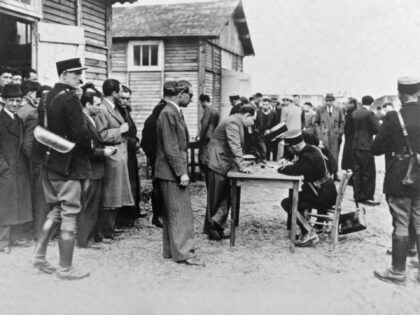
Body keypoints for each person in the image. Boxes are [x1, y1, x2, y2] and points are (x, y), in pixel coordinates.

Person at [31, 58, 92, 280]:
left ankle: (39, 257)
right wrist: (90, 148)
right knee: (69, 215)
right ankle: (65, 269)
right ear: (64, 74)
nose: (80, 78)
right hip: (69, 167)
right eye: (76, 73)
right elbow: (81, 135)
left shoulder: (46, 97)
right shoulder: (70, 99)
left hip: (49, 165)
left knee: (56, 211)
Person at [373, 77, 420, 284]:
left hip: (400, 176)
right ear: (418, 94)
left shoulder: (394, 117)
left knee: (401, 221)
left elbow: (376, 149)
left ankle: (397, 272)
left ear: (400, 95)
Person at [155, 80, 204, 266]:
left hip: (169, 171)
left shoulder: (173, 111)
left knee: (172, 213)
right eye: (190, 94)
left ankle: (172, 251)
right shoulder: (168, 113)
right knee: (181, 213)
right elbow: (171, 147)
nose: (192, 98)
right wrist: (181, 172)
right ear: (180, 93)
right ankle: (185, 253)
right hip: (171, 172)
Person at [202, 105, 256, 240]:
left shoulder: (235, 121)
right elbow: (235, 145)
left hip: (222, 162)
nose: (253, 123)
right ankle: (212, 229)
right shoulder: (233, 122)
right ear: (247, 115)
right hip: (217, 162)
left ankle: (216, 226)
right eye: (252, 119)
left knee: (226, 195)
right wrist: (242, 165)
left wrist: (241, 162)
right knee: (216, 197)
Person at [278, 131, 337, 247]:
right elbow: (298, 166)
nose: (289, 150)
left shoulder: (308, 156)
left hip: (322, 195)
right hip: (324, 190)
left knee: (288, 203)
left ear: (294, 146)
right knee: (295, 200)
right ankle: (307, 228)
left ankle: (308, 232)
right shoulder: (311, 149)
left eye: (289, 148)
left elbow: (295, 170)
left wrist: (280, 169)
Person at [94, 79, 134, 239]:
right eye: (119, 91)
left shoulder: (113, 108)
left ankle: (110, 227)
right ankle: (105, 230)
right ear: (115, 93)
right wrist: (119, 130)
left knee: (116, 195)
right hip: (111, 157)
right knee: (110, 196)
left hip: (119, 157)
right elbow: (101, 134)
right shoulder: (102, 109)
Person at [77, 84, 116, 247]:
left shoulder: (89, 119)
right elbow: (83, 149)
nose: (100, 108)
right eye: (97, 105)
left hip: (96, 170)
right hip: (90, 170)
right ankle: (85, 240)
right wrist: (103, 152)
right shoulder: (82, 122)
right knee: (89, 206)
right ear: (87, 105)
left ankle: (94, 237)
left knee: (95, 205)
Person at [0, 84, 33, 254]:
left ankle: (15, 238)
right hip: (6, 170)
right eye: (11, 100)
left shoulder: (18, 120)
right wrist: (3, 167)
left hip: (19, 169)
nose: (14, 104)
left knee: (18, 203)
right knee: (5, 205)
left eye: (17, 101)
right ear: (3, 100)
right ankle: (2, 242)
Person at [18, 80, 51, 240]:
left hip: (32, 163)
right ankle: (40, 234)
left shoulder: (34, 112)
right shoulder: (33, 114)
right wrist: (39, 160)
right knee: (41, 201)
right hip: (36, 164)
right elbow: (28, 144)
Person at [115, 84, 145, 226]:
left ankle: (133, 209)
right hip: (123, 151)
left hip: (131, 152)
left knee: (133, 181)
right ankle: (124, 215)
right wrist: (134, 142)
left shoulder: (126, 111)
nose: (125, 101)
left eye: (127, 98)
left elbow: (131, 130)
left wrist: (136, 141)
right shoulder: (117, 112)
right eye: (122, 98)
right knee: (125, 183)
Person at [352, 95, 380, 206]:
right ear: (372, 103)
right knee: (368, 172)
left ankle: (357, 196)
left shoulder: (355, 113)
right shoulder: (369, 114)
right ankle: (367, 197)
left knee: (357, 172)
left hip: (355, 145)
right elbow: (377, 129)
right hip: (366, 146)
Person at [314, 93, 344, 180]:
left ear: (333, 101)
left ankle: (335, 173)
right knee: (325, 155)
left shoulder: (338, 109)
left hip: (334, 136)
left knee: (335, 155)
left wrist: (339, 133)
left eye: (330, 101)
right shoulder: (320, 110)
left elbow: (342, 122)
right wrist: (319, 134)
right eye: (327, 100)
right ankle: (325, 174)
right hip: (324, 136)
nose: (328, 102)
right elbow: (316, 122)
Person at [198, 93, 219, 168]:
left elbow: (204, 124)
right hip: (213, 136)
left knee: (203, 156)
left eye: (201, 103)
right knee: (210, 156)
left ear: (204, 102)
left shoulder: (207, 110)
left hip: (206, 137)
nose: (201, 105)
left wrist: (200, 136)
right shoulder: (215, 109)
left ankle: (203, 174)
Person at [341, 98, 358, 174]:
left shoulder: (352, 112)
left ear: (352, 104)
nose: (345, 105)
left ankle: (350, 175)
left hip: (351, 137)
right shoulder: (351, 112)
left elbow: (349, 126)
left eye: (347, 103)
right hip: (350, 137)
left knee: (349, 156)